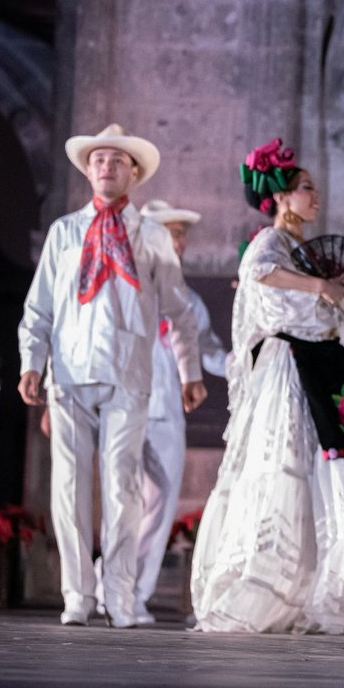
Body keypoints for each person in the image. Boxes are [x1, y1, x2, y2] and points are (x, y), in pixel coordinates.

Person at [191, 139, 344, 634]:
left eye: (314, 190)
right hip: (291, 367)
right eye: (305, 189)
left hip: (323, 363)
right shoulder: (269, 243)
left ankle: (336, 579)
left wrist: (343, 296)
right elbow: (260, 276)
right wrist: (320, 287)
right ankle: (285, 582)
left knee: (338, 467)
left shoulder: (298, 249)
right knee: (295, 470)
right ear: (280, 197)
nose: (313, 197)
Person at [17, 124, 207, 628]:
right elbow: (38, 309)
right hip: (71, 370)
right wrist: (31, 364)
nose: (106, 167)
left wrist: (189, 371)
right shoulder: (65, 232)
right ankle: (77, 594)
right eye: (99, 160)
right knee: (70, 488)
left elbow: (178, 308)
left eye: (117, 161)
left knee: (122, 487)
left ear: (134, 173)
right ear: (88, 170)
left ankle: (120, 596)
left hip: (129, 371)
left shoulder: (150, 235)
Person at [129, 199, 229, 625]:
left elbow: (207, 350)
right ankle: (108, 586)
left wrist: (253, 359)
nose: (180, 241)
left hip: (168, 412)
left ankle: (133, 593)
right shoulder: (126, 285)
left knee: (161, 502)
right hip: (127, 405)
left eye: (183, 234)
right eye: (172, 232)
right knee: (124, 501)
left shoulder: (187, 300)